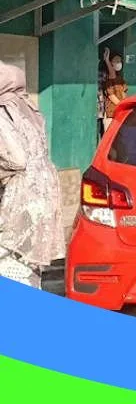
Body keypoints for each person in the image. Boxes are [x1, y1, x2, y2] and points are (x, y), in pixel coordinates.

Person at [0, 63, 63, 288]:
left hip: (21, 196)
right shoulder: (23, 105)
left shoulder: (2, 110)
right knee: (27, 267)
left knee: (12, 266)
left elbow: (16, 158)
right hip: (42, 193)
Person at [101, 49, 128, 132]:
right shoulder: (107, 78)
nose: (118, 63)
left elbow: (124, 93)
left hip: (120, 115)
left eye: (119, 61)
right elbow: (111, 95)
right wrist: (107, 60)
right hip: (111, 114)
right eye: (116, 61)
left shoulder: (121, 79)